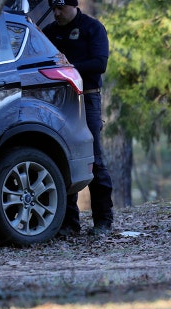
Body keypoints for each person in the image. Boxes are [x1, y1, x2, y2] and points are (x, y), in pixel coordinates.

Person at [42, 0, 114, 236]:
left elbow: (99, 64)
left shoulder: (92, 28)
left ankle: (103, 221)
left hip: (87, 99)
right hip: (56, 99)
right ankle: (68, 223)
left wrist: (69, 67)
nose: (56, 13)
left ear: (73, 5)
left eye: (60, 8)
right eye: (53, 8)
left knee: (93, 158)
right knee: (62, 157)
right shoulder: (50, 32)